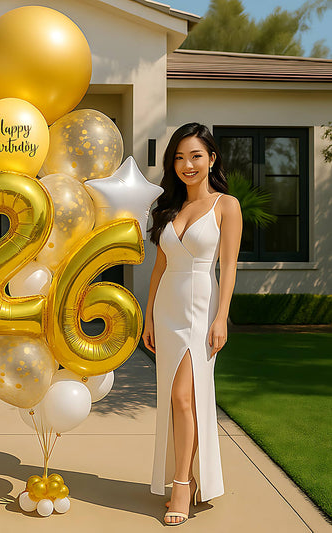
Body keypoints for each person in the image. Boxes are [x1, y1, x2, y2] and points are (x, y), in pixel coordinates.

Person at [142, 123, 242, 526]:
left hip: (202, 308)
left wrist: (222, 317)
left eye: (196, 156)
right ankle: (192, 476)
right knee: (176, 397)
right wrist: (148, 314)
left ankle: (182, 483)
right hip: (167, 309)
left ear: (212, 159)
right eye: (180, 157)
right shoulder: (168, 207)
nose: (187, 165)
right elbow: (161, 265)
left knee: (186, 397)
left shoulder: (226, 205)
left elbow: (229, 266)